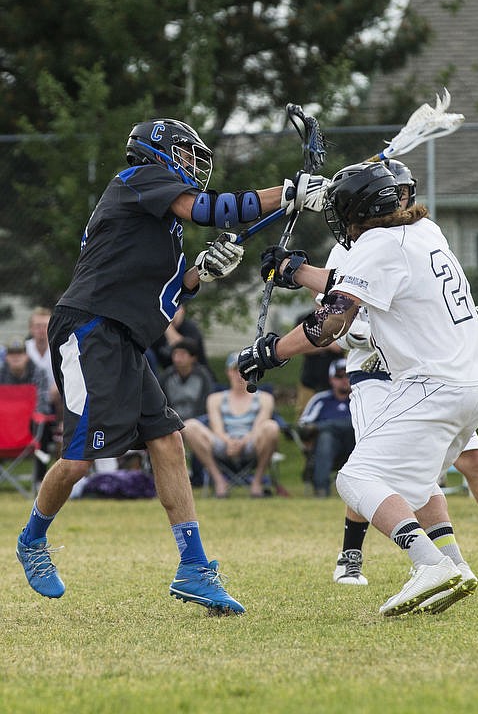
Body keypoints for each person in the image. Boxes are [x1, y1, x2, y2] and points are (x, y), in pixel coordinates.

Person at [14, 117, 328, 615]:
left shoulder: (157, 216)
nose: (191, 165)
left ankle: (194, 568)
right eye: (185, 154)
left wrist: (201, 273)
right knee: (77, 460)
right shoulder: (138, 179)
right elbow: (214, 208)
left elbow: (165, 287)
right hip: (90, 329)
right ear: (158, 152)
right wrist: (289, 192)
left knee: (167, 439)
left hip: (122, 336)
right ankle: (32, 540)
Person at [240, 161, 478, 618]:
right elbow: (364, 282)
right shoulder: (425, 231)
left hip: (435, 385)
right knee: (411, 484)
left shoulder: (375, 244)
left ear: (358, 210)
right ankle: (451, 563)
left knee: (356, 479)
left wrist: (272, 351)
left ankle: (429, 563)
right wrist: (296, 271)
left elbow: (332, 320)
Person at [325, 162, 478, 588]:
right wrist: (357, 329)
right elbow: (334, 319)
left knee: (469, 462)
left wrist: (475, 324)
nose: (402, 200)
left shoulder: (421, 234)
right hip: (379, 373)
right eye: (395, 192)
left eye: (405, 191)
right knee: (373, 469)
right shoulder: (353, 249)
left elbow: (443, 299)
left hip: (431, 374)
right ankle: (358, 556)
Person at [182, 352, 280, 498]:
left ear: (252, 372)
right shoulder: (215, 399)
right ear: (228, 372)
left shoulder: (265, 398)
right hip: (223, 443)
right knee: (189, 426)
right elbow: (217, 429)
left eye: (244, 370)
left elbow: (259, 427)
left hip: (252, 444)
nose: (239, 375)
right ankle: (219, 481)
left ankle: (257, 482)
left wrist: (241, 443)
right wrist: (229, 442)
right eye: (235, 370)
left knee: (271, 427)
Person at [297, 358, 356, 497]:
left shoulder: (360, 399)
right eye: (339, 376)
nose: (344, 380)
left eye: (348, 375)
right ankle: (321, 490)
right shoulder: (321, 400)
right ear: (331, 379)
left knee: (345, 427)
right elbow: (303, 426)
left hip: (355, 448)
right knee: (326, 437)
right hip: (328, 450)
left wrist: (322, 426)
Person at [0, 337, 54, 487]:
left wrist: (25, 416)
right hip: (4, 427)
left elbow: (43, 403)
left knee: (43, 426)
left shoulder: (38, 371)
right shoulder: (1, 373)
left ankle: (40, 479)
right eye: (12, 354)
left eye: (20, 354)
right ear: (6, 357)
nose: (16, 357)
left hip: (29, 426)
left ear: (26, 355)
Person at [293, 310, 344, 417]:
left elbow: (341, 346)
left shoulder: (340, 316)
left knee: (336, 414)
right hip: (310, 379)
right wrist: (327, 345)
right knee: (304, 414)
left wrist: (316, 344)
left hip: (336, 380)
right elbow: (299, 347)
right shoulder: (305, 318)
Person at [149, 304, 213, 377]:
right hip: (172, 379)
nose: (172, 314)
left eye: (175, 310)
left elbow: (183, 347)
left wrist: (167, 324)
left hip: (199, 377)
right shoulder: (158, 331)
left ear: (182, 311)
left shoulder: (189, 327)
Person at [159, 338, 214, 422]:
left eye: (182, 354)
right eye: (175, 354)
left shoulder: (203, 376)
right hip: (171, 422)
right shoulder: (166, 376)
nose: (178, 358)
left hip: (197, 422)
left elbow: (205, 401)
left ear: (193, 358)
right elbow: (162, 401)